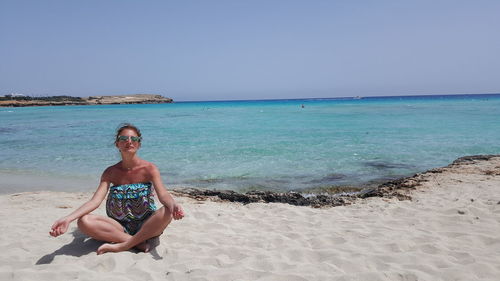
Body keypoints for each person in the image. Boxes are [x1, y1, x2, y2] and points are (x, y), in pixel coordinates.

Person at [50, 123, 184, 255]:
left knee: (167, 210)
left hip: (148, 225)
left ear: (139, 144)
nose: (129, 142)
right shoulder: (110, 172)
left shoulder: (149, 169)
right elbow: (95, 201)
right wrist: (68, 219)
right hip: (119, 227)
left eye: (134, 139)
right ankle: (136, 242)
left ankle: (123, 245)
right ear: (117, 144)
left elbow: (164, 195)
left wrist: (174, 205)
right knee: (83, 221)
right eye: (124, 139)